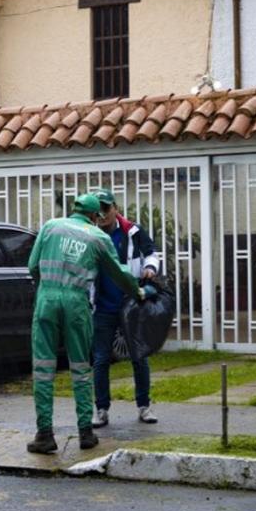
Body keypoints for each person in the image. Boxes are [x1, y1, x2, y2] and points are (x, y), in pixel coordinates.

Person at [26, 194, 142, 454]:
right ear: (94, 216)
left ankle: (44, 434)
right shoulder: (98, 237)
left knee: (44, 368)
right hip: (77, 305)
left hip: (46, 299)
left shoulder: (50, 227)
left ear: (74, 210)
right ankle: (85, 433)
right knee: (80, 367)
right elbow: (119, 273)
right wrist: (138, 292)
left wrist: (45, 288)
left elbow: (32, 265)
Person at [90, 189, 161, 429]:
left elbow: (152, 252)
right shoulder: (89, 234)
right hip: (103, 306)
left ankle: (144, 406)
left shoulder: (132, 231)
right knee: (100, 359)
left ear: (115, 209)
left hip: (131, 305)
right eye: (98, 209)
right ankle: (101, 409)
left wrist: (150, 268)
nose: (102, 214)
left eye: (106, 208)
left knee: (139, 357)